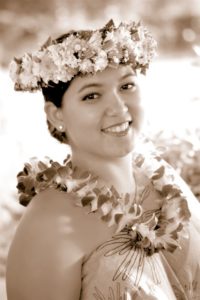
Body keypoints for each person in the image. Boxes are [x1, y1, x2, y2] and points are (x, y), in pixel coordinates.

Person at [6, 19, 200, 300]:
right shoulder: (51, 223)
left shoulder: (164, 180)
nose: (119, 108)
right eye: (92, 95)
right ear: (56, 115)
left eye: (127, 86)